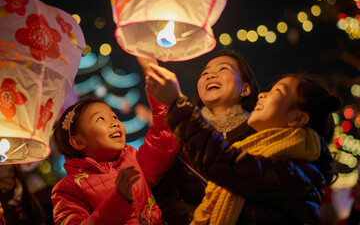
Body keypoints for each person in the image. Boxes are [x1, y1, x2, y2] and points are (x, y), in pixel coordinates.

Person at [144, 64, 340, 224]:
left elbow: (225, 164)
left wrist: (177, 104)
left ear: (297, 118)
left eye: (277, 91)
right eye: (205, 71)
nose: (263, 94)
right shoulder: (253, 150)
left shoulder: (297, 174)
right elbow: (166, 196)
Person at [136, 49, 260, 224]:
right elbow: (165, 198)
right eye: (205, 73)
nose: (210, 76)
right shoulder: (181, 135)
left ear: (246, 88)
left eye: (223, 69)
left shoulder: (260, 134)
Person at [51, 92, 179, 224]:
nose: (115, 123)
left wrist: (158, 96)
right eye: (100, 119)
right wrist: (119, 199)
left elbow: (164, 140)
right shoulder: (69, 188)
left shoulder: (132, 158)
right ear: (78, 142)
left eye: (114, 116)